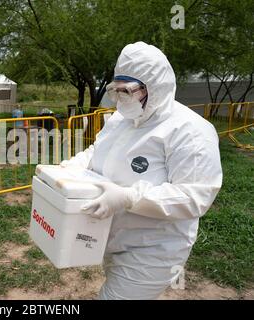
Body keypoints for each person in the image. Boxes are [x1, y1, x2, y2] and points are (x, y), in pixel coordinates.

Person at [60, 42, 223, 300]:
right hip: (112, 236)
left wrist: (128, 197)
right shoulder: (121, 118)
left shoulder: (190, 131)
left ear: (155, 87)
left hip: (154, 249)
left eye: (128, 91)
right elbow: (96, 150)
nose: (121, 99)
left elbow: (195, 196)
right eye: (117, 90)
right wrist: (72, 167)